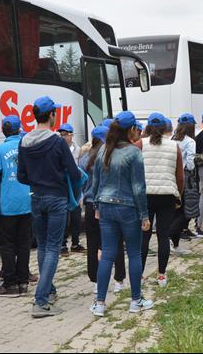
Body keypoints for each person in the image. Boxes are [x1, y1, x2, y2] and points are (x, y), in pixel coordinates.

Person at [18, 96, 81, 318]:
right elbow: (74, 173)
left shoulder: (24, 141)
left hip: (36, 197)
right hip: (56, 198)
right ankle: (40, 300)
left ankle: (50, 290)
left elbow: (21, 176)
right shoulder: (57, 142)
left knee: (43, 246)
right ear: (52, 115)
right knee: (54, 247)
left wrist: (38, 181)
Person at [89, 111, 154, 317]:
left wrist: (97, 208)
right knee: (133, 254)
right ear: (131, 129)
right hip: (128, 209)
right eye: (137, 128)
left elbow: (96, 184)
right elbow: (138, 188)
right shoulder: (134, 153)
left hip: (105, 206)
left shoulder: (103, 151)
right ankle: (136, 301)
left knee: (107, 254)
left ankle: (99, 304)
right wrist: (144, 215)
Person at [0, 116, 33, 298]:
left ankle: (10, 284)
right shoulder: (27, 148)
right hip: (27, 202)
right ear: (19, 128)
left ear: (2, 130)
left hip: (8, 204)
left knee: (7, 245)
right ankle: (23, 282)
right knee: (24, 244)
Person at [80, 126, 126, 295]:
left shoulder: (85, 157)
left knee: (92, 244)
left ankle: (95, 281)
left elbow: (81, 181)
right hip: (110, 203)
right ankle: (119, 280)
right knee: (115, 242)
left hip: (91, 204)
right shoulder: (112, 156)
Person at [139, 113, 183, 288]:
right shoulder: (174, 146)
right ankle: (162, 275)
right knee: (163, 235)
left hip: (146, 195)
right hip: (167, 194)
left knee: (144, 236)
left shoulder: (140, 144)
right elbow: (179, 176)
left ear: (147, 127)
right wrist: (177, 194)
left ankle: (140, 276)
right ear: (166, 127)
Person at [170, 113, 197, 253]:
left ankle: (175, 244)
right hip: (184, 178)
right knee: (186, 211)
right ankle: (171, 235)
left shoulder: (171, 139)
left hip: (170, 177)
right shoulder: (190, 142)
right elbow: (191, 164)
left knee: (174, 211)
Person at [58, 123, 85, 256]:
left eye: (65, 134)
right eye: (61, 134)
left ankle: (75, 243)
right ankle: (62, 244)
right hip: (63, 186)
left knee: (76, 216)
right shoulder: (57, 148)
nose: (63, 137)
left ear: (71, 135)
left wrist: (82, 194)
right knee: (64, 216)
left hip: (75, 186)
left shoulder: (77, 149)